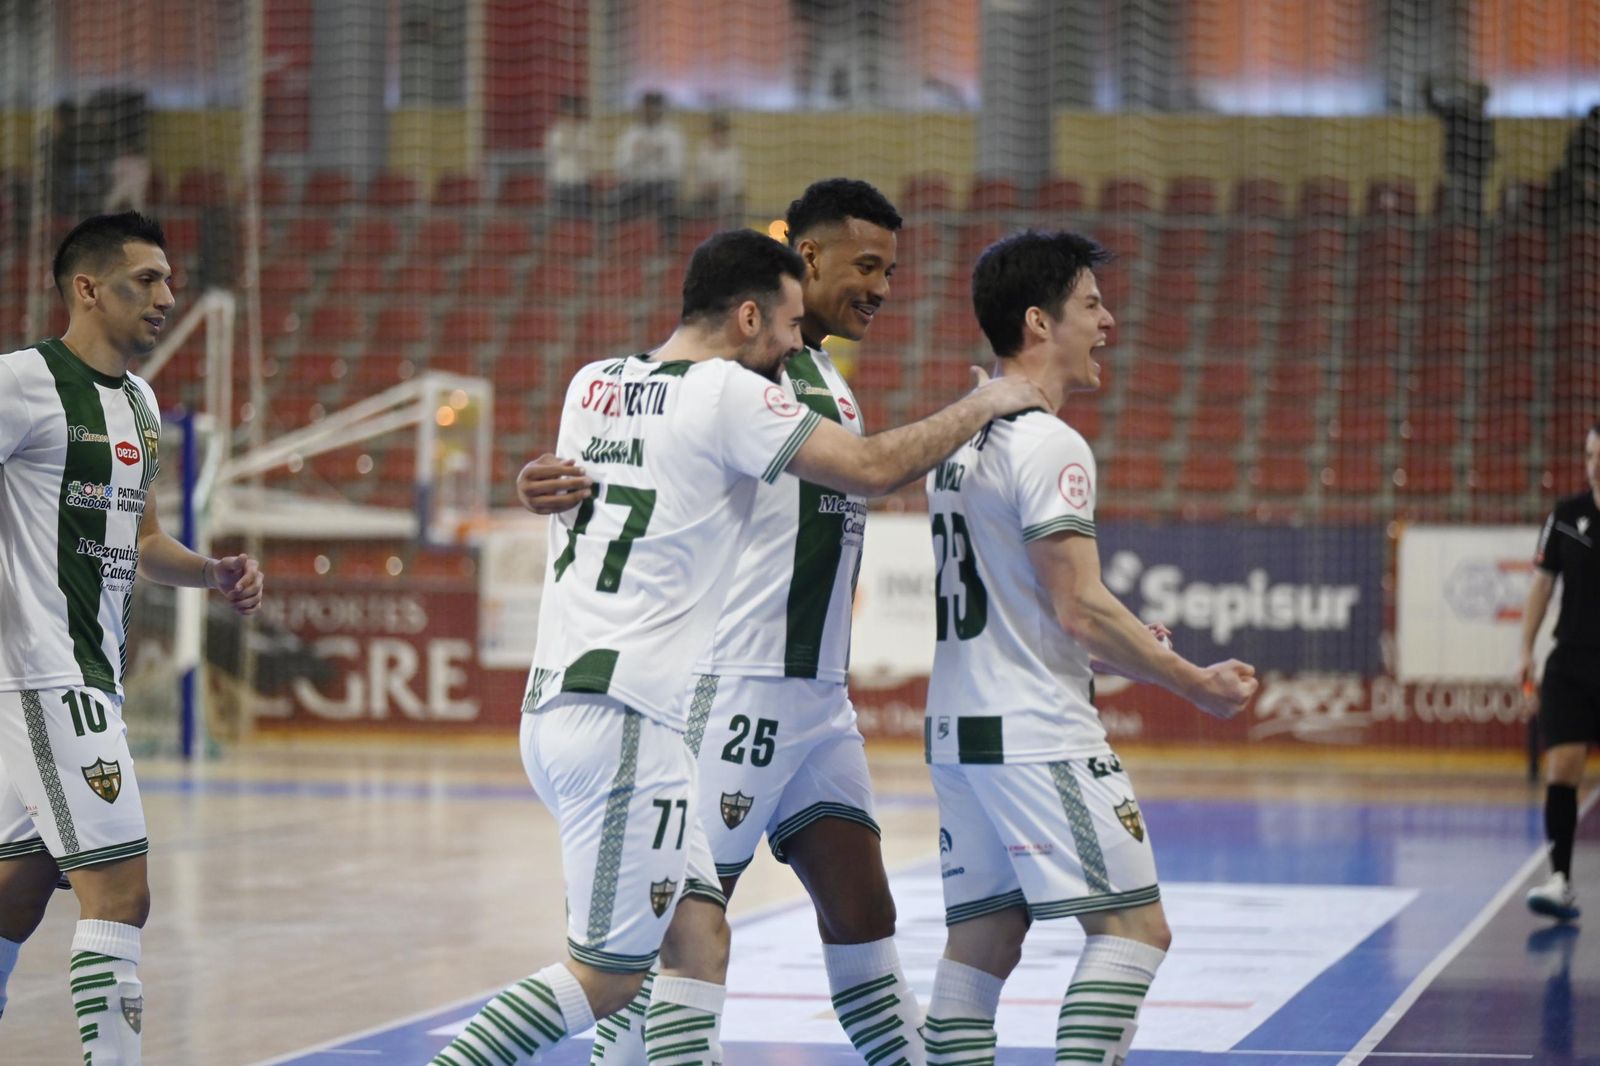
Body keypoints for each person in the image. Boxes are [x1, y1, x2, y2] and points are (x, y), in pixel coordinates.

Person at [432, 229, 1047, 1066]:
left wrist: (530, 480)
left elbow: (593, 487)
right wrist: (984, 402)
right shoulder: (735, 393)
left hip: (586, 701)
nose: (796, 342)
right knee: (610, 979)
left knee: (698, 945)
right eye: (790, 322)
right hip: (640, 715)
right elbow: (867, 468)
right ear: (753, 312)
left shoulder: (594, 382)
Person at [527, 179, 932, 1066]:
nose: (883, 288)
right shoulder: (739, 378)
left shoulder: (820, 372)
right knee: (674, 938)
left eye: (892, 271)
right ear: (804, 262)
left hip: (819, 701)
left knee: (864, 914)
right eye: (866, 266)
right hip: (733, 687)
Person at [919, 230, 1258, 1064]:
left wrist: (1120, 640)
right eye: (1092, 305)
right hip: (1036, 730)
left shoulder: (956, 440)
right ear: (1039, 321)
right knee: (1134, 928)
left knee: (986, 941)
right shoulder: (1048, 442)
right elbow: (1078, 608)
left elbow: (1034, 602)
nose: (1109, 322)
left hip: (959, 730)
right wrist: (1192, 681)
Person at [0, 212, 264, 1063]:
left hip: (79, 680)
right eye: (145, 281)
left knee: (18, 891)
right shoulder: (21, 383)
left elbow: (142, 543)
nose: (166, 297)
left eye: (168, 281)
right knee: (120, 893)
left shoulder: (141, 405)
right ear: (86, 288)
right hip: (45, 678)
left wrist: (212, 572)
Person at [1519, 422, 1600, 923]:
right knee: (1562, 770)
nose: (1594, 463)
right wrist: (1524, 650)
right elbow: (1541, 588)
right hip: (1570, 662)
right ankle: (1560, 880)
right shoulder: (1566, 516)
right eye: (1590, 454)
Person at [1423, 74, 1494, 225]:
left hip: (1475, 174)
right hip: (1459, 170)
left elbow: (1487, 146)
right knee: (1457, 213)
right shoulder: (1457, 112)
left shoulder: (1484, 121)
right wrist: (1428, 87)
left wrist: (1492, 155)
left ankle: (1471, 240)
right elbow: (1434, 105)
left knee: (1474, 213)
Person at [614, 91, 686, 222]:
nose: (649, 111)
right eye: (645, 107)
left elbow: (676, 170)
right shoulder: (631, 134)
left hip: (662, 184)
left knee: (667, 201)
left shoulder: (671, 134)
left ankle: (668, 241)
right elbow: (621, 168)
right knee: (615, 200)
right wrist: (638, 155)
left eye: (652, 107)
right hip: (636, 184)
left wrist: (659, 155)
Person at [546, 94, 597, 217]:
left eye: (572, 114)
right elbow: (556, 149)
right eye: (566, 114)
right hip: (560, 183)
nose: (570, 118)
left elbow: (587, 154)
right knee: (560, 223)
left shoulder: (586, 131)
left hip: (581, 184)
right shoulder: (555, 132)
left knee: (583, 221)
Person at [688, 113, 745, 223]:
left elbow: (738, 183)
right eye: (716, 132)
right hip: (706, 198)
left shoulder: (734, 152)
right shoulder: (703, 149)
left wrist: (721, 186)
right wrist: (707, 187)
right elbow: (698, 176)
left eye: (722, 132)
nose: (719, 136)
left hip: (728, 198)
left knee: (735, 209)